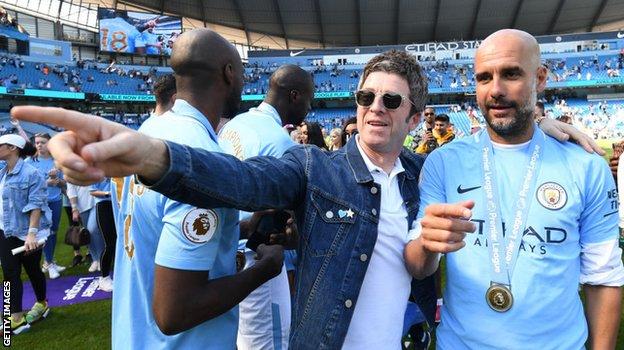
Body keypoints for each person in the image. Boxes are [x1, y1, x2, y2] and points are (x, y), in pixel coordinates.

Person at [13, 51, 602, 349]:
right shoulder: (312, 167)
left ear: (416, 117)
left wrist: (549, 125)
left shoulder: (432, 172)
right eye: (367, 96)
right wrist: (152, 156)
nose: (375, 107)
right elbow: (240, 181)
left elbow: (499, 150)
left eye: (392, 102)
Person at [404, 29, 624, 349]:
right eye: (483, 78)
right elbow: (419, 266)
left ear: (540, 78)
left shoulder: (586, 168)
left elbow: (603, 278)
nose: (495, 90)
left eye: (510, 74)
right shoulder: (443, 164)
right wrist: (426, 242)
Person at [113, 28, 284, 348]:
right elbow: (175, 311)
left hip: (133, 337)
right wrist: (263, 270)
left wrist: (243, 227)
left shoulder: (152, 131)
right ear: (228, 73)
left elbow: (157, 231)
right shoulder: (204, 163)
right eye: (243, 74)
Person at [218, 63, 313, 349]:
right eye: (310, 99)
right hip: (260, 258)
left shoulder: (235, 124)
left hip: (226, 251)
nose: (310, 107)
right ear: (295, 96)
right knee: (270, 343)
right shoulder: (282, 144)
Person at [0, 134, 51, 333]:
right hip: (6, 230)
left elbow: (36, 205)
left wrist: (32, 233)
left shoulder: (32, 173)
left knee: (33, 271)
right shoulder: (2, 172)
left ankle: (42, 303)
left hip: (28, 233)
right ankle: (15, 317)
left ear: (13, 148)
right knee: (10, 272)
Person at [26, 132, 66, 279]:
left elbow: (64, 183)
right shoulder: (30, 162)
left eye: (42, 142)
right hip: (39, 204)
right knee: (42, 233)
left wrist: (57, 180)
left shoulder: (57, 161)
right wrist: (46, 182)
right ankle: (48, 263)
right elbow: (26, 185)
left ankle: (49, 262)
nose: (39, 145)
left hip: (55, 200)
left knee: (53, 232)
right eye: (37, 143)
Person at [66, 183, 104, 273]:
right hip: (82, 205)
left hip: (97, 201)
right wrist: (74, 209)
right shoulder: (70, 172)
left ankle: (101, 258)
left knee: (93, 229)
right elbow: (71, 190)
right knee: (87, 233)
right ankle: (95, 259)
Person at [89, 178, 116, 292]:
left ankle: (121, 274)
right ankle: (104, 277)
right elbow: (92, 191)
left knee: (121, 243)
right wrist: (108, 193)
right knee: (110, 244)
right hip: (104, 205)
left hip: (119, 205)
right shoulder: (97, 170)